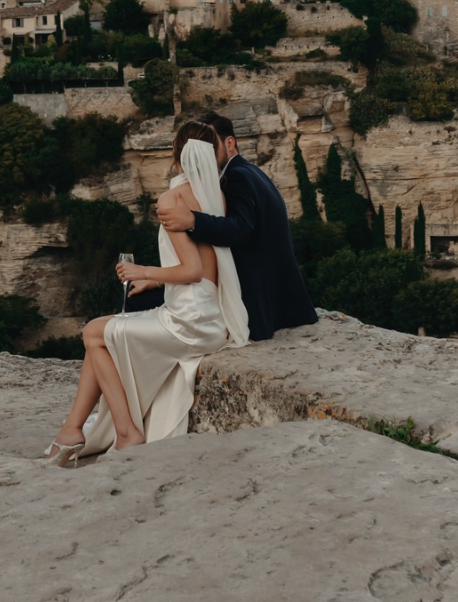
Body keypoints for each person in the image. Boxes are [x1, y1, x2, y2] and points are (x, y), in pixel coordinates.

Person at [41, 121, 249, 466]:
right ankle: (72, 430)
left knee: (92, 333)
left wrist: (144, 272)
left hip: (188, 321)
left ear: (176, 156)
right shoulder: (217, 195)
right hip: (211, 317)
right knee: (101, 337)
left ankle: (125, 433)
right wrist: (156, 283)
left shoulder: (172, 199)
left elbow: (192, 270)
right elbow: (207, 265)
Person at [157, 111, 317, 341]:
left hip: (257, 301)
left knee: (140, 306)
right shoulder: (250, 171)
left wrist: (193, 220)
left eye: (209, 143)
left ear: (229, 143)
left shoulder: (235, 177)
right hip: (280, 299)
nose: (203, 152)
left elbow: (239, 229)